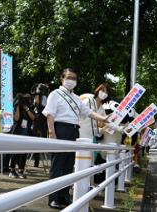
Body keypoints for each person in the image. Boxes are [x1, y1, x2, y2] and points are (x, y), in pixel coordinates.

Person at [42, 67, 109, 209]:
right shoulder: (55, 94)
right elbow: (50, 114)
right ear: (62, 78)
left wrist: (103, 118)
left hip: (74, 131)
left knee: (68, 166)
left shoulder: (76, 98)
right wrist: (52, 132)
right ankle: (53, 198)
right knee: (57, 165)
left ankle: (64, 196)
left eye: (74, 78)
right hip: (60, 129)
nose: (71, 80)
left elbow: (89, 112)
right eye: (69, 77)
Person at [9, 93, 35, 178]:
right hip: (17, 132)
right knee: (15, 152)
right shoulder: (17, 107)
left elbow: (33, 118)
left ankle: (21, 170)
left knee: (24, 153)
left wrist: (26, 109)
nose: (29, 100)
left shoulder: (29, 108)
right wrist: (17, 106)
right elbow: (16, 118)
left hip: (26, 133)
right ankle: (12, 170)